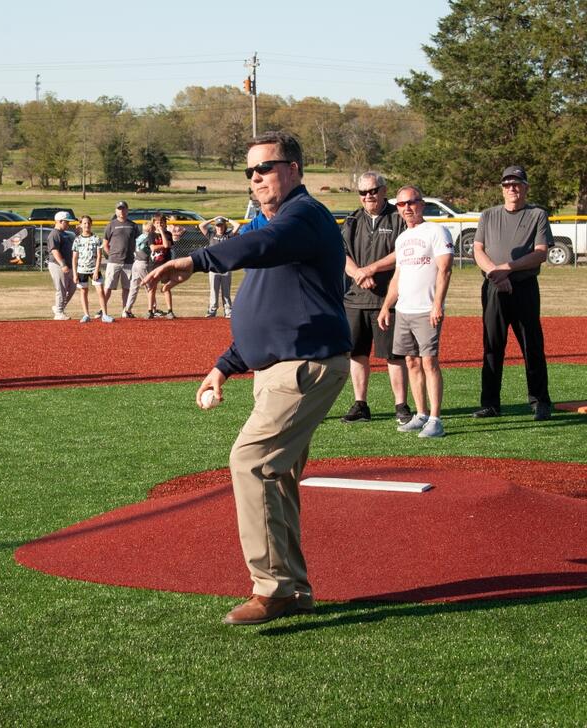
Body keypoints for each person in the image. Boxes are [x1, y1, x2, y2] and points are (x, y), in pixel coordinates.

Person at [143, 131, 351, 626]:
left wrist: (196, 259)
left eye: (268, 167)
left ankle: (271, 588)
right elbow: (268, 313)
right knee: (275, 478)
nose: (257, 177)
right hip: (280, 366)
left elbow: (262, 246)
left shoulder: (303, 217)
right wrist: (223, 366)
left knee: (250, 461)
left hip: (304, 365)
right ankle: (294, 589)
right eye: (250, 171)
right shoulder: (272, 228)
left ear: (295, 170)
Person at [472, 165, 554, 421]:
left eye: (517, 184)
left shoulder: (537, 215)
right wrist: (495, 275)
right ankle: (491, 403)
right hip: (494, 288)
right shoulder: (488, 215)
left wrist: (506, 269)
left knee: (532, 345)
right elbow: (478, 250)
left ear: (525, 187)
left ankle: (540, 401)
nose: (512, 189)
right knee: (492, 346)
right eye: (507, 184)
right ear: (502, 189)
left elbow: (541, 253)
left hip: (524, 287)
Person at [377, 186, 453, 438]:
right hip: (404, 310)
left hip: (425, 309)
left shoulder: (436, 231)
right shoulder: (402, 238)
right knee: (411, 361)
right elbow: (398, 275)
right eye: (401, 204)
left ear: (421, 204)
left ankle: (435, 419)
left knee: (429, 362)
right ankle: (420, 414)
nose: (407, 208)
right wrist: (387, 305)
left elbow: (445, 270)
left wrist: (437, 305)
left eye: (411, 202)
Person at [340, 172, 411, 425]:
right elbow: (342, 254)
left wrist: (372, 269)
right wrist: (359, 273)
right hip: (355, 299)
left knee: (394, 355)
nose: (368, 196)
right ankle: (360, 404)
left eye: (373, 190)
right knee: (357, 354)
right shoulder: (353, 220)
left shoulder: (397, 217)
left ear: (383, 190)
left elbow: (402, 252)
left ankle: (401, 405)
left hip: (387, 300)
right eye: (363, 192)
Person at [101, 201, 141, 318]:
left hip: (128, 262)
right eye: (119, 209)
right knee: (108, 287)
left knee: (127, 288)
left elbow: (138, 243)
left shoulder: (133, 225)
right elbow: (105, 244)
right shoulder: (111, 225)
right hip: (114, 261)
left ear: (127, 210)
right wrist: (111, 255)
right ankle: (102, 309)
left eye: (123, 209)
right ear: (116, 211)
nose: (121, 211)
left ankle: (125, 310)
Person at [198, 216, 240, 318]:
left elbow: (237, 225)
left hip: (225, 267)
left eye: (221, 225)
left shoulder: (228, 235)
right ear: (215, 226)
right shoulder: (211, 235)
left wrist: (226, 219)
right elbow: (201, 225)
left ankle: (228, 310)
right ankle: (212, 310)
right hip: (213, 268)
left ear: (224, 226)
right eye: (217, 226)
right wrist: (213, 219)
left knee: (226, 291)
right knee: (214, 290)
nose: (219, 228)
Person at [71, 215, 110, 323]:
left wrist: (96, 270)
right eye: (84, 223)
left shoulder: (96, 238)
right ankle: (86, 315)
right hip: (81, 270)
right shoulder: (77, 240)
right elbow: (74, 258)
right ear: (80, 225)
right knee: (83, 291)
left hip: (94, 269)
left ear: (91, 224)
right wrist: (74, 274)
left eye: (88, 223)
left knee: (100, 291)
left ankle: (105, 314)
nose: (86, 225)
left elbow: (99, 256)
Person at [46, 211, 76, 320]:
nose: (68, 224)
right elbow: (54, 251)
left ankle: (58, 307)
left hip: (67, 265)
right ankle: (58, 312)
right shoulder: (55, 234)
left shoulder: (65, 233)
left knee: (72, 288)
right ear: (60, 221)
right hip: (57, 265)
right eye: (66, 222)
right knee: (62, 288)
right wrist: (63, 264)